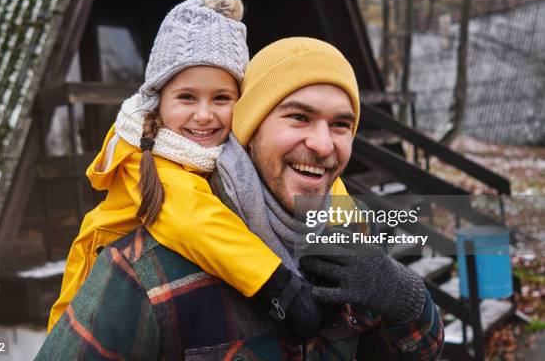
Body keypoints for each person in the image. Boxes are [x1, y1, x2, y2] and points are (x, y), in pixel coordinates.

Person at [37, 37, 444, 360]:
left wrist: (405, 299)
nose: (323, 145)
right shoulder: (144, 274)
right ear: (250, 127)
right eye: (298, 117)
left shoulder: (347, 240)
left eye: (341, 124)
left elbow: (413, 353)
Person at [47, 0, 335, 342]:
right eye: (186, 97)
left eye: (221, 98)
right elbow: (191, 215)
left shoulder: (230, 152)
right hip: (102, 315)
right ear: (157, 102)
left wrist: (346, 236)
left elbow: (313, 177)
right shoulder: (142, 153)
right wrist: (275, 282)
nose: (203, 114)